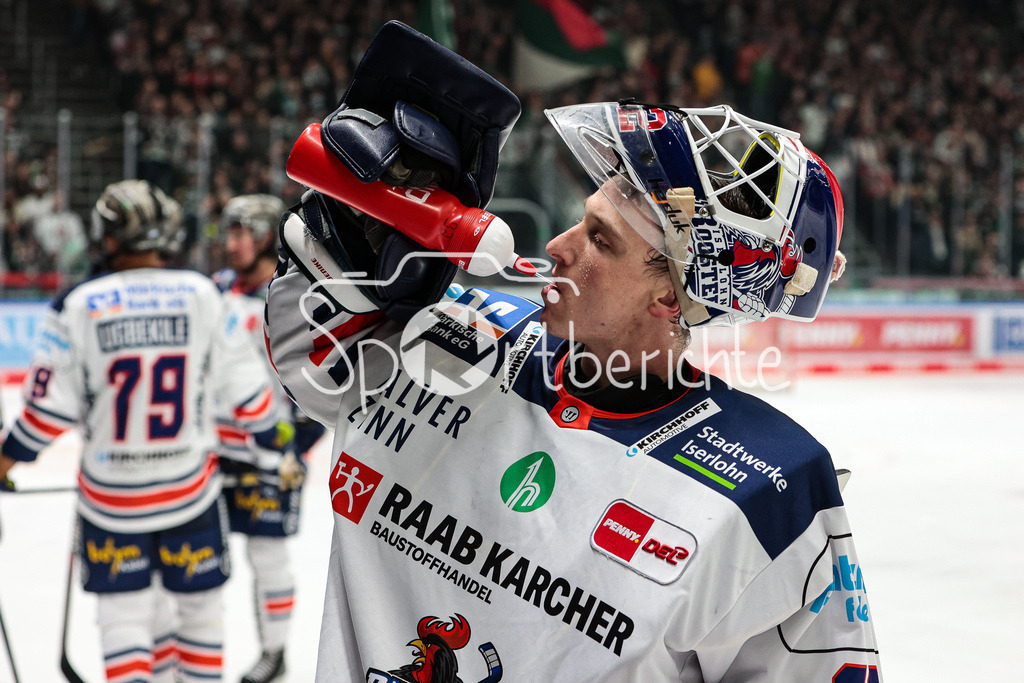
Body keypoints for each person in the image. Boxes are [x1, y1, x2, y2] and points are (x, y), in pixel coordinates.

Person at [264, 22, 881, 682]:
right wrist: (347, 231)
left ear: (667, 297)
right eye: (580, 220)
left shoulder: (773, 493)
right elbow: (310, 356)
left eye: (600, 239)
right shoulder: (449, 340)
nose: (558, 246)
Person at [0, 179, 295, 683]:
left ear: (108, 235)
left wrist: (5, 459)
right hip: (190, 496)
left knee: (125, 620)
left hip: (111, 502)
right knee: (200, 618)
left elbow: (44, 416)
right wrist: (277, 445)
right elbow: (252, 398)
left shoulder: (77, 304)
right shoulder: (204, 294)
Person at [213, 194, 325, 683]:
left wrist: (296, 447)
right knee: (202, 562)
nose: (230, 243)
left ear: (264, 237)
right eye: (229, 232)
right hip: (214, 449)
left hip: (269, 453)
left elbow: (320, 382)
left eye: (240, 233)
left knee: (268, 559)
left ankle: (274, 654)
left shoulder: (291, 296)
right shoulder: (216, 289)